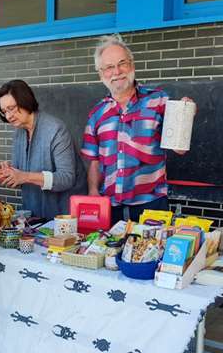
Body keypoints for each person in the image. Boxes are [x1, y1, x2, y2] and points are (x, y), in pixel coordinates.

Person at [81, 34, 193, 225]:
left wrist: (186, 113)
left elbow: (180, 149)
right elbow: (94, 161)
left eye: (122, 63)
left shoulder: (158, 101)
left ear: (131, 65)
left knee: (151, 255)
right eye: (109, 67)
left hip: (152, 205)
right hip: (111, 208)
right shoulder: (96, 114)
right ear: (101, 74)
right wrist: (93, 193)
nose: (117, 71)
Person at [0, 79, 87, 219]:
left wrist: (24, 176)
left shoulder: (55, 130)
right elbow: (21, 172)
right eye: (4, 111)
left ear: (25, 100)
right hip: (34, 215)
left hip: (64, 217)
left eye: (11, 108)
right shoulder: (19, 133)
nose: (9, 116)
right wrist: (8, 171)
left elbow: (67, 178)